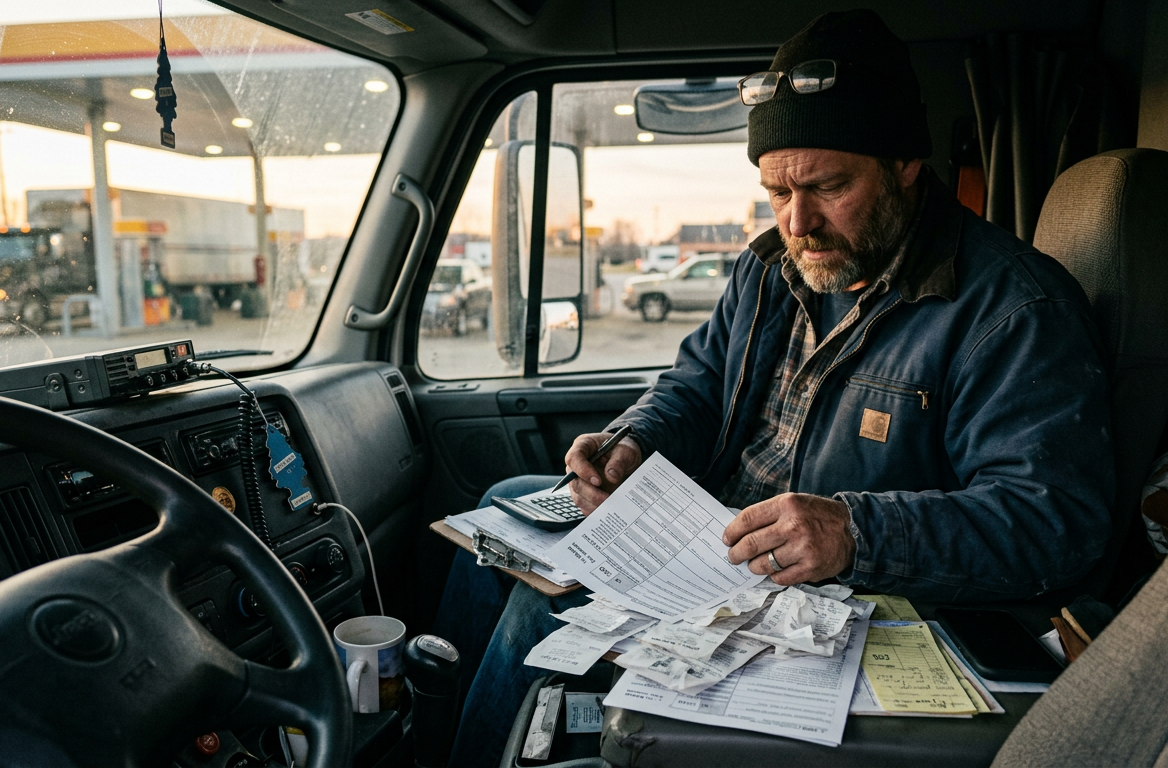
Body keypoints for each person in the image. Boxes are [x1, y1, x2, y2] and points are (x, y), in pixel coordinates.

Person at [433, 9, 1115, 766]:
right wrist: (635, 439)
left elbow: (1054, 524)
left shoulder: (1013, 310)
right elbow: (697, 384)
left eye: (827, 186)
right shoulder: (767, 269)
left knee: (539, 614)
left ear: (904, 164)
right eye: (776, 191)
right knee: (499, 512)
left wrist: (852, 533)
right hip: (719, 539)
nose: (798, 222)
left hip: (842, 593)